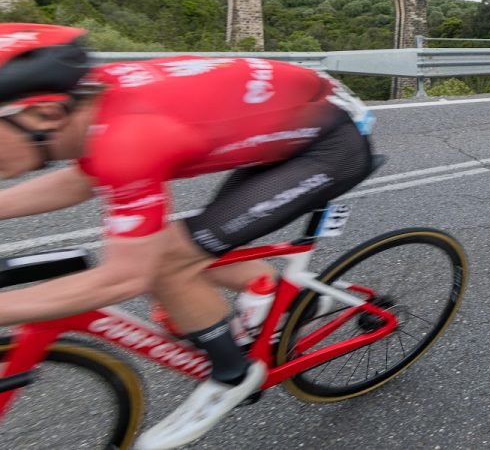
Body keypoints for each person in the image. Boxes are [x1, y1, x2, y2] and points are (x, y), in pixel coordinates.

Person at [0, 23, 375, 449]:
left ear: (43, 112)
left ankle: (233, 374)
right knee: (181, 250)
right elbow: (84, 178)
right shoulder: (89, 109)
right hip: (288, 123)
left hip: (329, 145)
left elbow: (124, 278)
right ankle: (276, 290)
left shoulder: (128, 139)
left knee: (167, 262)